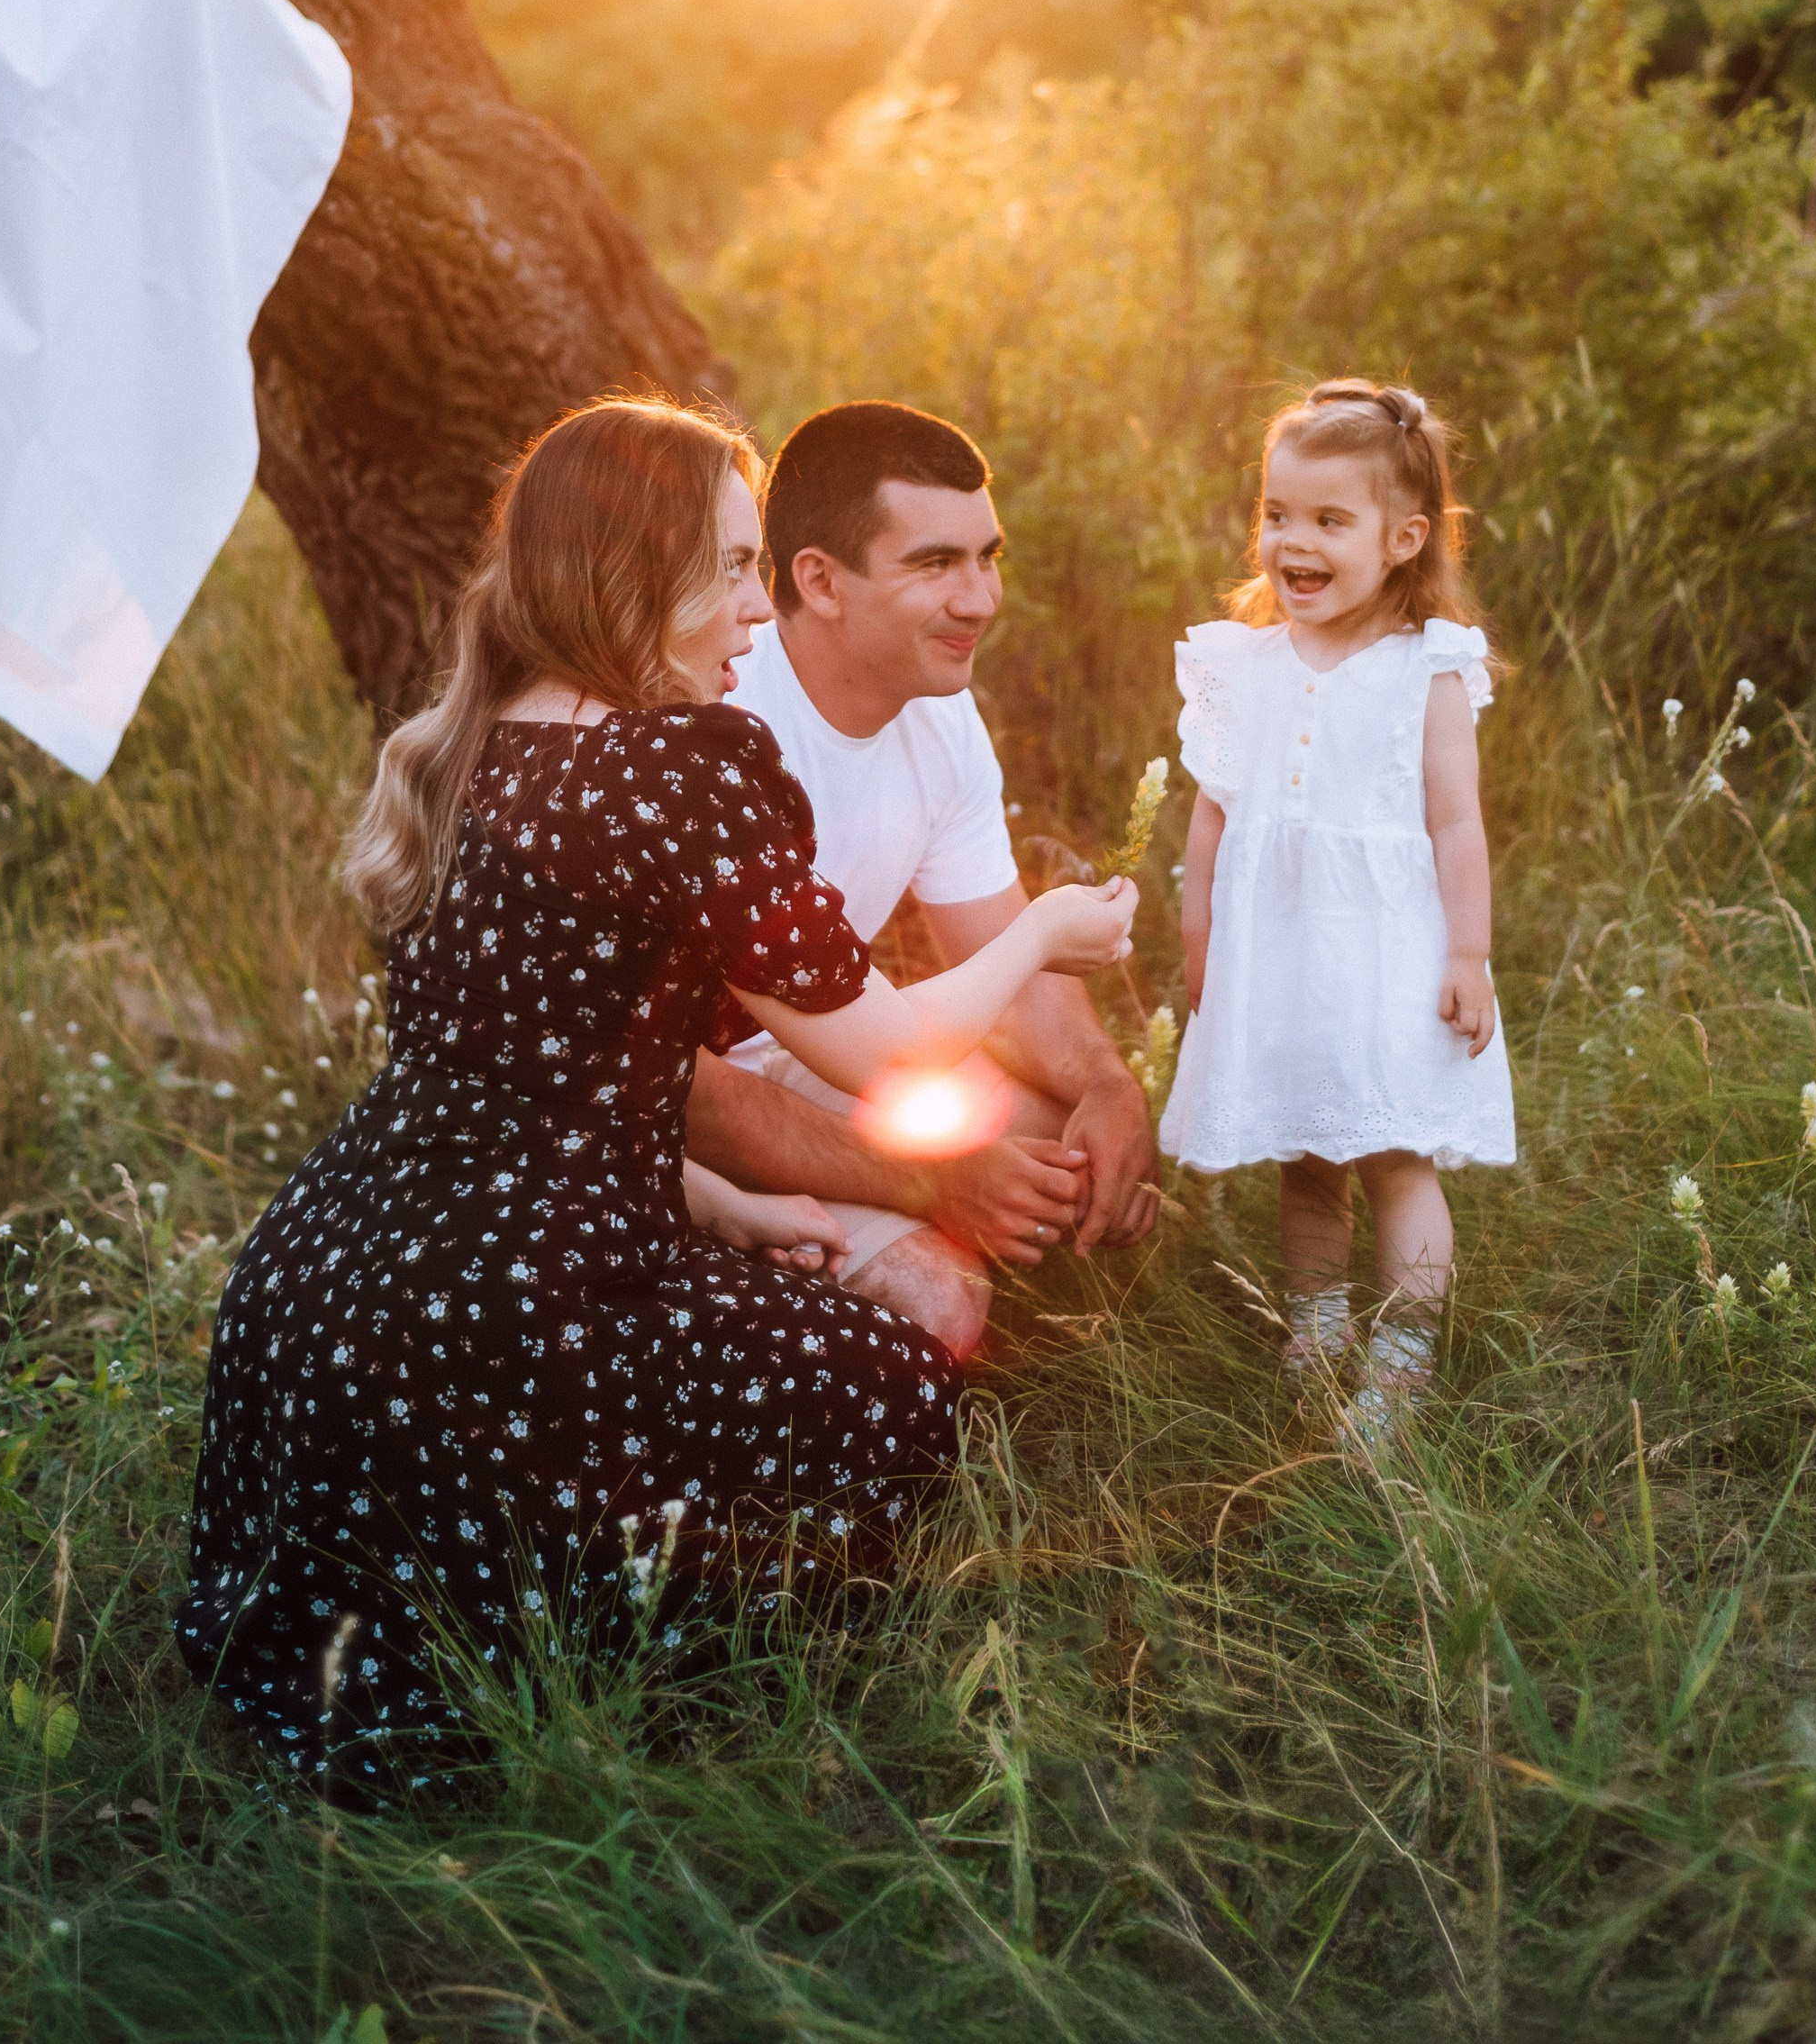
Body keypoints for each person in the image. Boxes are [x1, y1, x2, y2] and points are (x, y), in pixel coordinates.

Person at [176, 397, 1137, 1787]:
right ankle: (640, 1677)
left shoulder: (470, 737)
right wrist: (1041, 934)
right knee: (888, 1400)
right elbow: (887, 1058)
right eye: (733, 569)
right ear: (642, 575)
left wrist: (721, 1210)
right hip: (509, 1312)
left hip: (320, 1293)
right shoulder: (677, 771)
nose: (755, 606)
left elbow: (520, 1076)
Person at [686, 401, 1162, 1358]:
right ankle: (733, 1261)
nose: (979, 599)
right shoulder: (714, 716)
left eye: (988, 557)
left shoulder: (939, 715)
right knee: (942, 1303)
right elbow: (685, 1089)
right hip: (672, 1114)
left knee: (1063, 1149)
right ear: (820, 580)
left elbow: (1004, 961)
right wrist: (931, 1178)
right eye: (935, 564)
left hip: (839, 1052)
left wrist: (1108, 1086)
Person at [1160, 380, 1515, 1438]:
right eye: (1277, 514)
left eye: (1328, 520)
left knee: (1394, 1153)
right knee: (1305, 1155)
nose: (1293, 542)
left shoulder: (1426, 668)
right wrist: (1201, 947)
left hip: (1385, 957)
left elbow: (1457, 823)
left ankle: (1402, 1352)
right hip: (1276, 956)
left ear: (1403, 539)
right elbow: (1214, 820)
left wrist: (1469, 954)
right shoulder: (1242, 665)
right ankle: (1316, 1325)